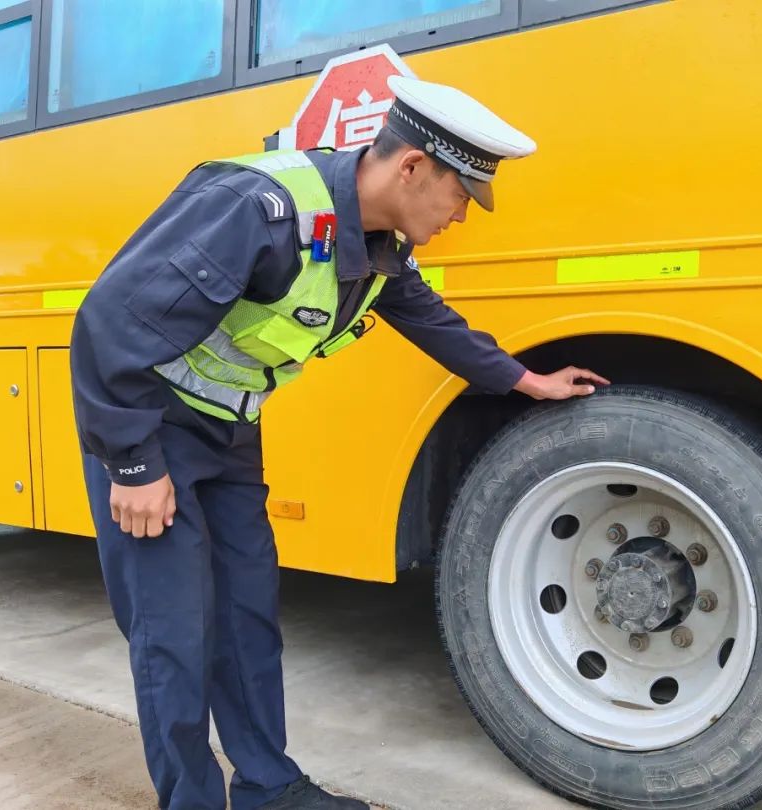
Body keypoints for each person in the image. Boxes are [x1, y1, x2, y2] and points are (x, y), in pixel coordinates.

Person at [69, 74, 609, 810]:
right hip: (150, 427)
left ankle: (268, 788)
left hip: (228, 436)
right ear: (412, 167)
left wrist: (525, 380)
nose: (462, 216)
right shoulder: (257, 209)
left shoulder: (377, 246)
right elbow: (108, 323)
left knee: (247, 621)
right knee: (174, 639)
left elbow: (431, 320)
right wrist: (131, 464)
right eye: (462, 196)